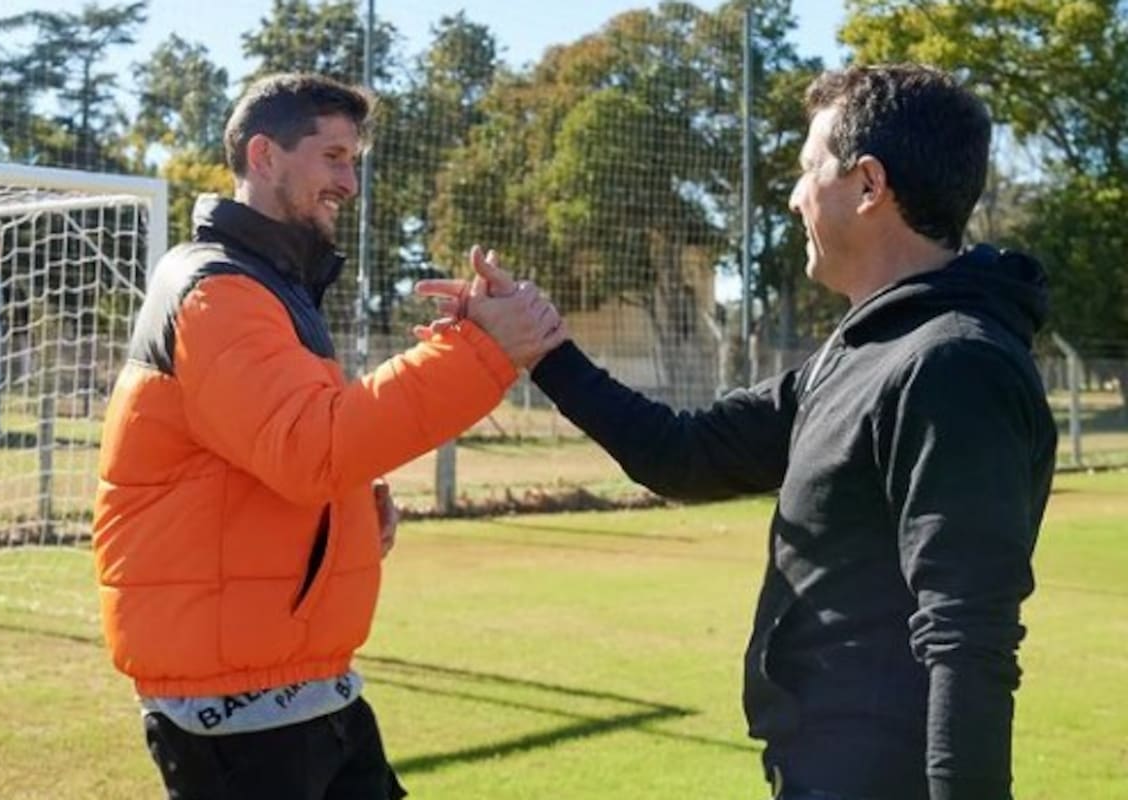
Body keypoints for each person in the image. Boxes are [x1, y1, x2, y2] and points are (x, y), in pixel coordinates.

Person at [419, 64, 1057, 800]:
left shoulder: (953, 364)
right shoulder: (863, 351)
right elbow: (685, 456)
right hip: (816, 771)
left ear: (869, 184)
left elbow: (966, 638)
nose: (793, 196)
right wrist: (544, 349)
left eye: (807, 168)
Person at [92, 73, 565, 800]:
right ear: (265, 155)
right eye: (334, 156)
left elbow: (277, 453)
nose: (349, 180)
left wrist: (346, 509)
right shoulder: (218, 290)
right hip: (240, 716)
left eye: (354, 161)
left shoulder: (268, 287)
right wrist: (479, 350)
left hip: (305, 692)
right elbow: (309, 449)